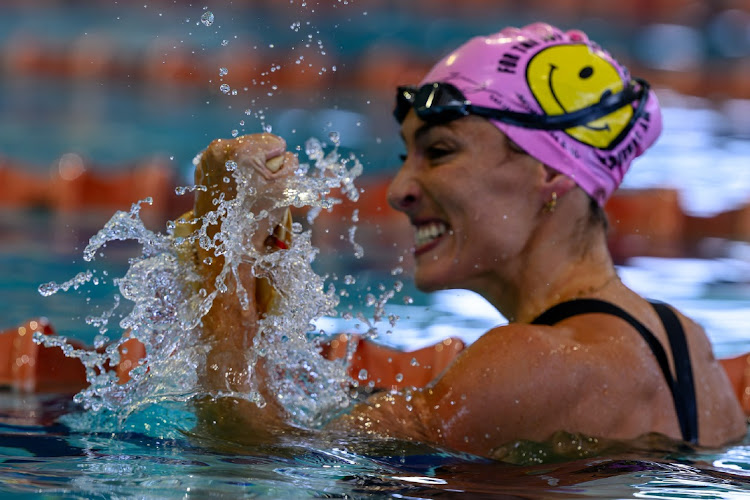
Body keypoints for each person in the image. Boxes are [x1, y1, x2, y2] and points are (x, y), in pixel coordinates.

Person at [1, 22, 746, 458]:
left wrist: (222, 245)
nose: (398, 190)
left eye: (441, 151)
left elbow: (255, 454)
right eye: (404, 156)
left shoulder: (534, 361)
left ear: (549, 174)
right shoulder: (691, 352)